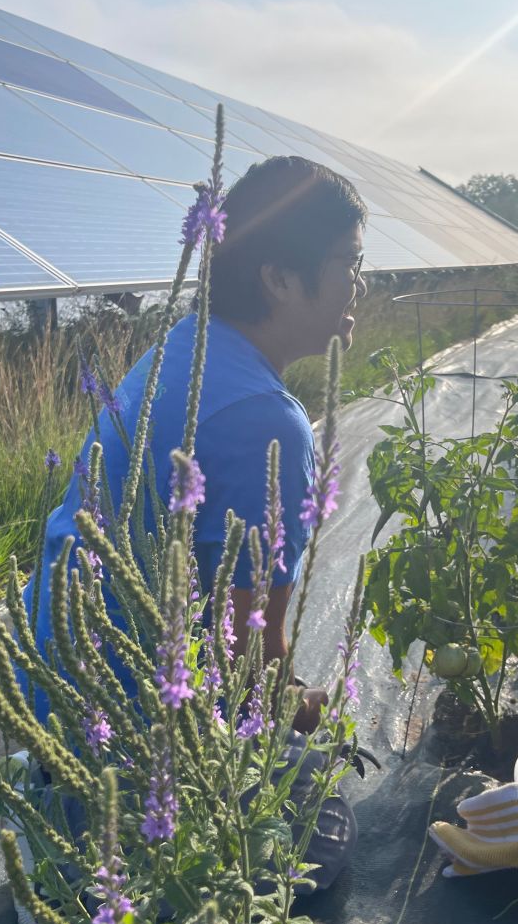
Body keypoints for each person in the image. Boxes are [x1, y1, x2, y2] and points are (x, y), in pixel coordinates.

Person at [21, 155, 367, 724]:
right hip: (120, 727)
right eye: (350, 262)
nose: (360, 285)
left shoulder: (189, 343)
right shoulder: (266, 423)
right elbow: (249, 667)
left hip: (45, 674)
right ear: (278, 277)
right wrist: (324, 712)